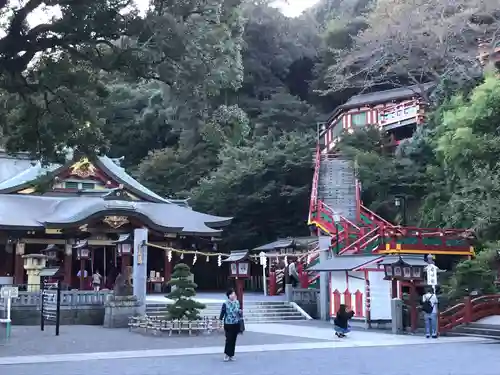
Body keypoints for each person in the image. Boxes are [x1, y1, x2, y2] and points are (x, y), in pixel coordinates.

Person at [219, 288, 242, 361]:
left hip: (236, 323)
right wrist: (220, 321)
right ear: (229, 295)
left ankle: (231, 355)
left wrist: (240, 312)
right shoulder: (225, 304)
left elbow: (239, 311)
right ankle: (226, 354)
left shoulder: (237, 302)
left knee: (233, 339)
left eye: (234, 294)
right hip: (228, 323)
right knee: (228, 339)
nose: (233, 295)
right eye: (232, 294)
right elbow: (222, 313)